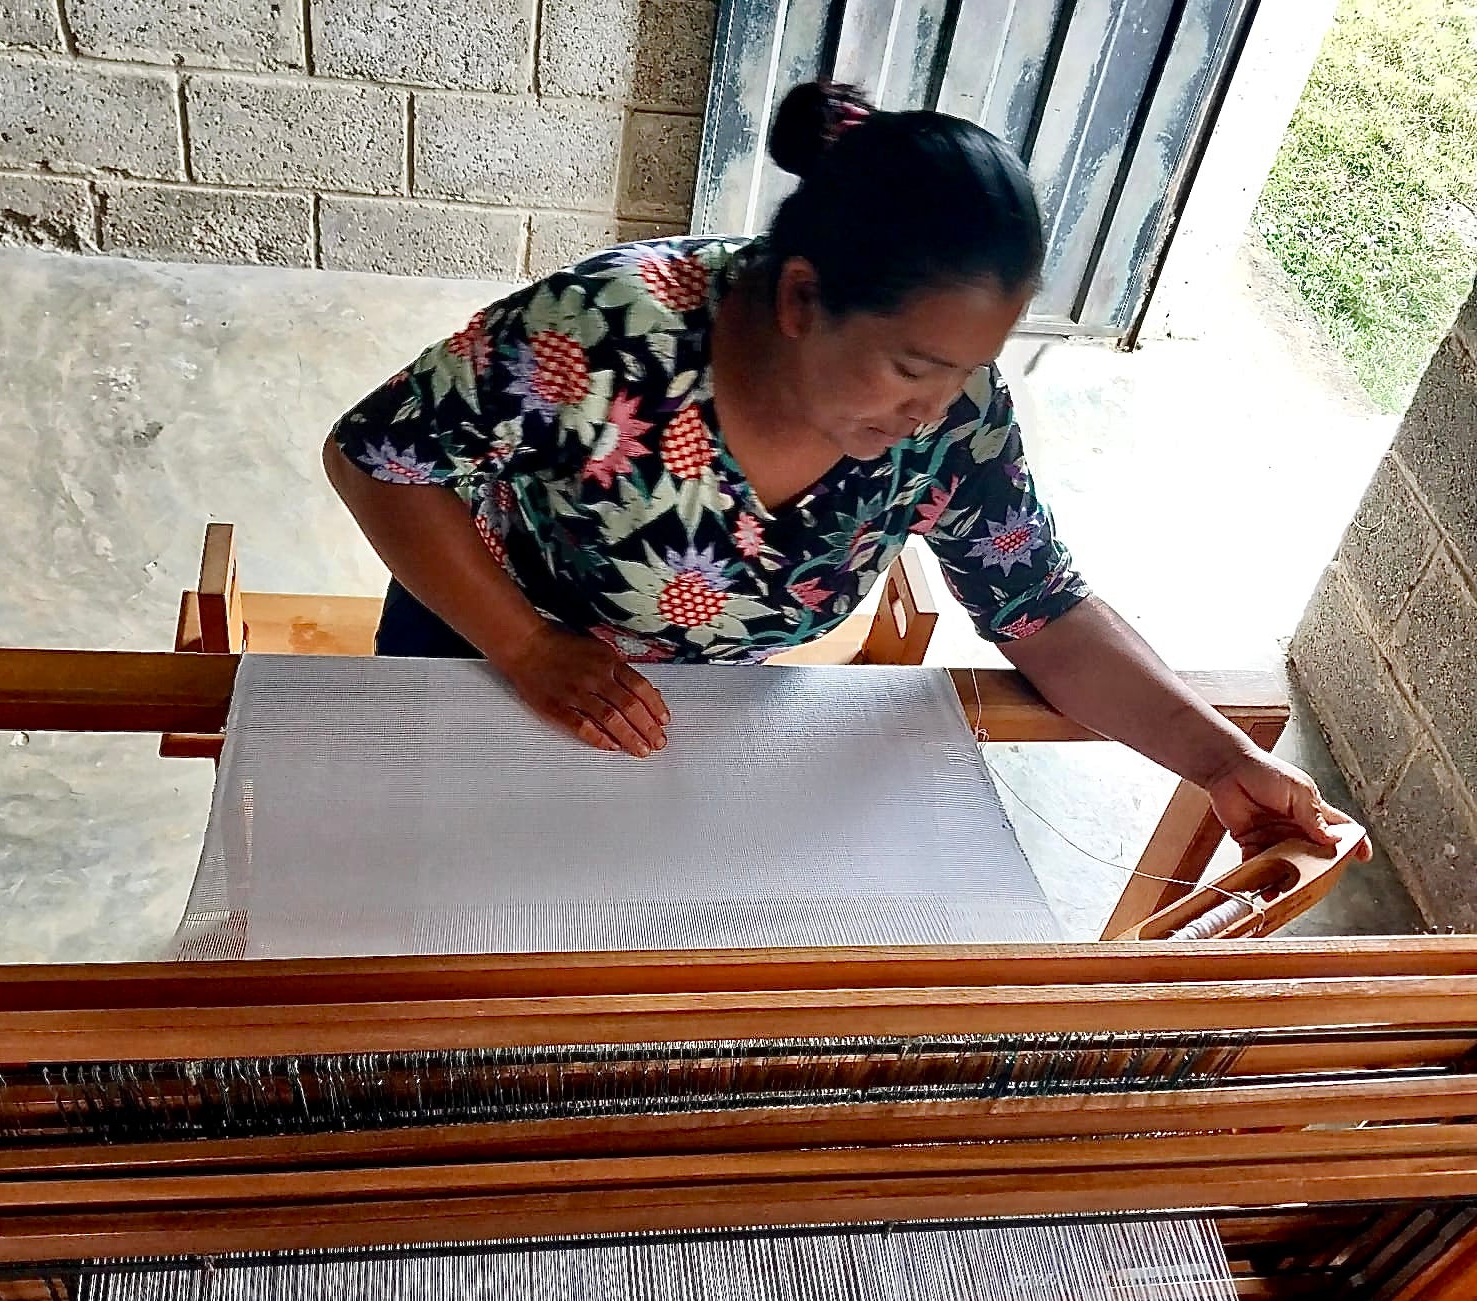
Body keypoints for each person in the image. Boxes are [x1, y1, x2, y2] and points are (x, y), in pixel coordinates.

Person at [325, 79, 1366, 863]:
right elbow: (376, 459)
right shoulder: (600, 339)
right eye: (913, 365)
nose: (935, 405)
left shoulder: (948, 419)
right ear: (799, 300)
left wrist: (1219, 758)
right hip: (481, 636)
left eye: (967, 370)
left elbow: (1039, 607)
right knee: (420, 877)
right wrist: (526, 647)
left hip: (686, 707)